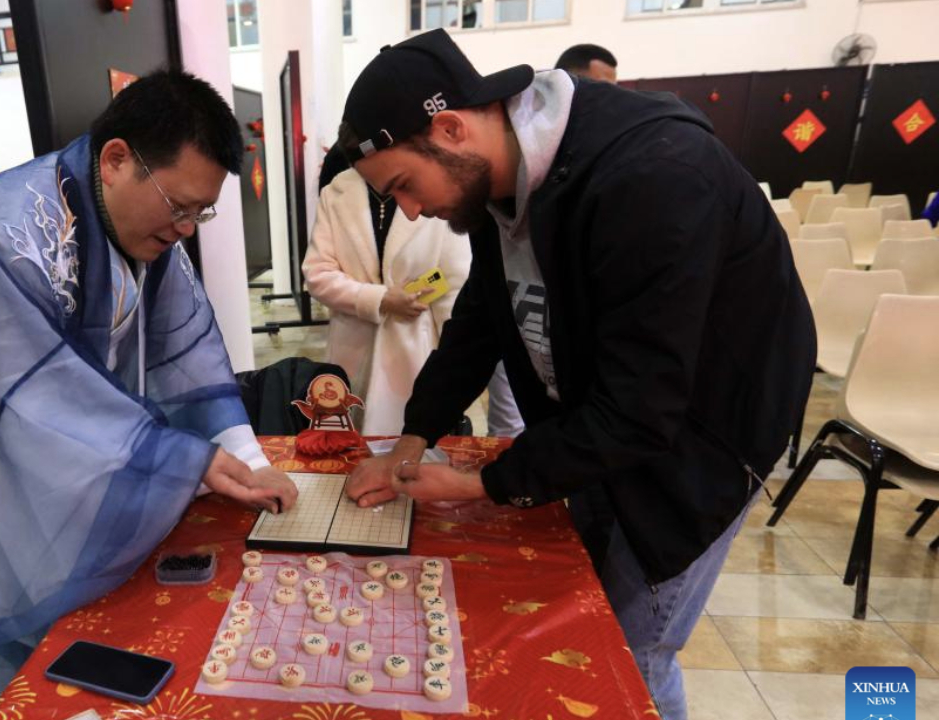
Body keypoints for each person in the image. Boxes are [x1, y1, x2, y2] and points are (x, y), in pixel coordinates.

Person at [339, 31, 815, 720]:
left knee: (630, 649)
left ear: (449, 127)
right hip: (600, 423)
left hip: (700, 442)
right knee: (577, 608)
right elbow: (482, 318)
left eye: (404, 187)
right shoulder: (492, 178)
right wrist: (412, 439)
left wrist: (482, 484)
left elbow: (644, 410)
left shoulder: (654, 174)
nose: (411, 211)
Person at [0, 70, 298, 720]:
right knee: (8, 678)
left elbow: (182, 352)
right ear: (115, 160)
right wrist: (177, 460)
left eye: (201, 212)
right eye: (180, 206)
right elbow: (37, 403)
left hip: (84, 468)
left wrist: (245, 458)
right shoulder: (5, 236)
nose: (187, 229)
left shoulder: (143, 230)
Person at [303, 156, 471, 435]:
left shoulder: (433, 184)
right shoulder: (337, 191)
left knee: (416, 445)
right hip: (352, 346)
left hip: (416, 348)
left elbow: (455, 283)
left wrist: (454, 363)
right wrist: (377, 299)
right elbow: (318, 273)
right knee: (348, 449)